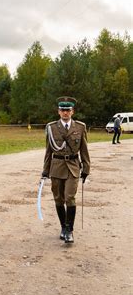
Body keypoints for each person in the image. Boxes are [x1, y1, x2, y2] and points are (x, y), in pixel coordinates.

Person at [42, 97, 90, 244]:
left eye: (68, 110)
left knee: (69, 197)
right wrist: (45, 170)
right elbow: (48, 151)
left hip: (73, 167)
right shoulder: (51, 127)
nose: (65, 113)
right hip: (56, 167)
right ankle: (63, 227)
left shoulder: (80, 127)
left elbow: (84, 149)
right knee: (58, 199)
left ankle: (69, 230)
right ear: (58, 111)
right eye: (62, 110)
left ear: (72, 111)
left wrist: (86, 168)